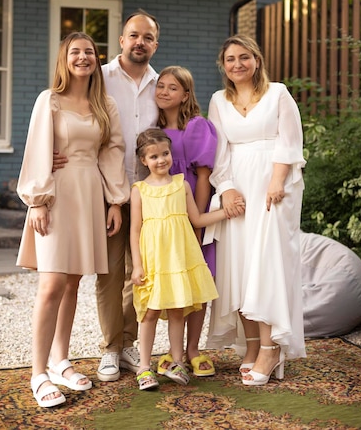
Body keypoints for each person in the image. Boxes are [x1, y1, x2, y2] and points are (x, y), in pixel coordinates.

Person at [16, 32, 129, 408]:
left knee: (73, 284)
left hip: (90, 194)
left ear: (97, 60)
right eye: (75, 52)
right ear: (64, 59)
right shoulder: (49, 100)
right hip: (56, 194)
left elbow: (113, 151)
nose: (83, 58)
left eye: (89, 53)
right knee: (51, 284)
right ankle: (38, 374)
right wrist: (38, 201)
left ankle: (60, 359)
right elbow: (36, 148)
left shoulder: (105, 104)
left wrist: (115, 201)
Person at [53, 10, 160, 381]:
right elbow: (68, 114)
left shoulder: (160, 86)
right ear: (121, 40)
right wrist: (53, 153)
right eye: (133, 35)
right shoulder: (100, 76)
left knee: (140, 273)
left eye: (147, 37)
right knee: (109, 273)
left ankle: (129, 342)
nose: (139, 42)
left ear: (155, 44)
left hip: (148, 192)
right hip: (103, 190)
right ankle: (110, 347)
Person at [206, 34, 306, 386]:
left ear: (257, 60)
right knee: (241, 266)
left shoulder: (278, 93)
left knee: (268, 264)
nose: (238, 64)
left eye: (244, 57)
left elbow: (291, 142)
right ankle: (250, 344)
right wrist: (227, 187)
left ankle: (271, 346)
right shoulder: (219, 100)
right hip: (238, 189)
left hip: (273, 186)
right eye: (230, 59)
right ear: (224, 66)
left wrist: (277, 181)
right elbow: (220, 150)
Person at [130, 128, 244, 391]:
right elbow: (135, 230)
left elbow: (197, 220)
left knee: (177, 310)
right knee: (149, 312)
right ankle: (144, 367)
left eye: (165, 153)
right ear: (143, 160)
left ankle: (177, 361)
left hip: (178, 259)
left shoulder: (182, 185)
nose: (161, 160)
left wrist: (226, 212)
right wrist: (137, 265)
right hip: (154, 261)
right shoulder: (139, 190)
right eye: (154, 156)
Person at [155, 66, 218, 377]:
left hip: (192, 214)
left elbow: (203, 177)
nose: (165, 92)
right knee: (171, 278)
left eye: (173, 88)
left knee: (197, 281)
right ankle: (173, 348)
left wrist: (199, 223)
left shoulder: (196, 126)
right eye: (161, 86)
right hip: (164, 218)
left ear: (186, 95)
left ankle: (193, 348)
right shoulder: (153, 131)